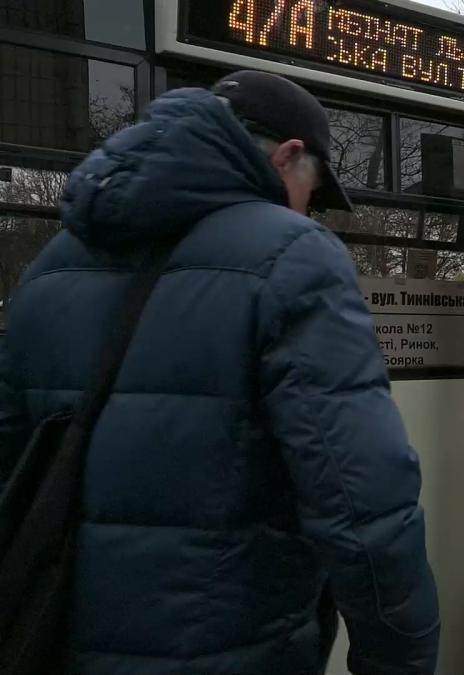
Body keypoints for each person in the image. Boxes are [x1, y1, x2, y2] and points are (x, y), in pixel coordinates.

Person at [0, 71, 439, 674]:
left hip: (54, 635)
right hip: (225, 644)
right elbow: (364, 504)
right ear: (287, 156)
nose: (308, 211)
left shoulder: (51, 264)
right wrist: (400, 660)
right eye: (313, 194)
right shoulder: (293, 254)